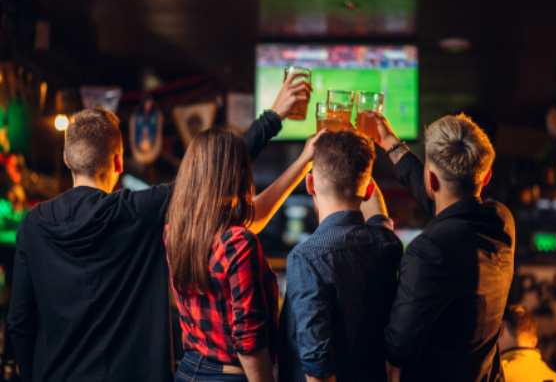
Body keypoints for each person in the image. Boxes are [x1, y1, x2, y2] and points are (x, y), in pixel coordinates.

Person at [7, 73, 310, 382]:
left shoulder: (32, 225)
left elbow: (20, 323)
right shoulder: (136, 212)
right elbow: (212, 171)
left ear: (66, 160)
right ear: (118, 162)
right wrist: (273, 117)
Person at [166, 127, 326, 382]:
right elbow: (249, 344)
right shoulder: (238, 242)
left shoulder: (175, 232)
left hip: (187, 371)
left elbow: (256, 216)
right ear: (237, 175)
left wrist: (304, 161)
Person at [370, 113, 516, 382]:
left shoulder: (428, 251)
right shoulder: (500, 221)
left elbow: (398, 349)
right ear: (486, 177)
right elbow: (452, 210)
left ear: (431, 180)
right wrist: (391, 143)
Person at [278, 131, 403, 382]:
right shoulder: (387, 242)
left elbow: (318, 369)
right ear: (368, 189)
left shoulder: (305, 259)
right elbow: (379, 215)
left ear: (310, 184)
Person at [499, 305, 556, 382]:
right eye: (544, 340)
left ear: (501, 329)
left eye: (552, 338)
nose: (549, 347)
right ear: (534, 342)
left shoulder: (495, 376)